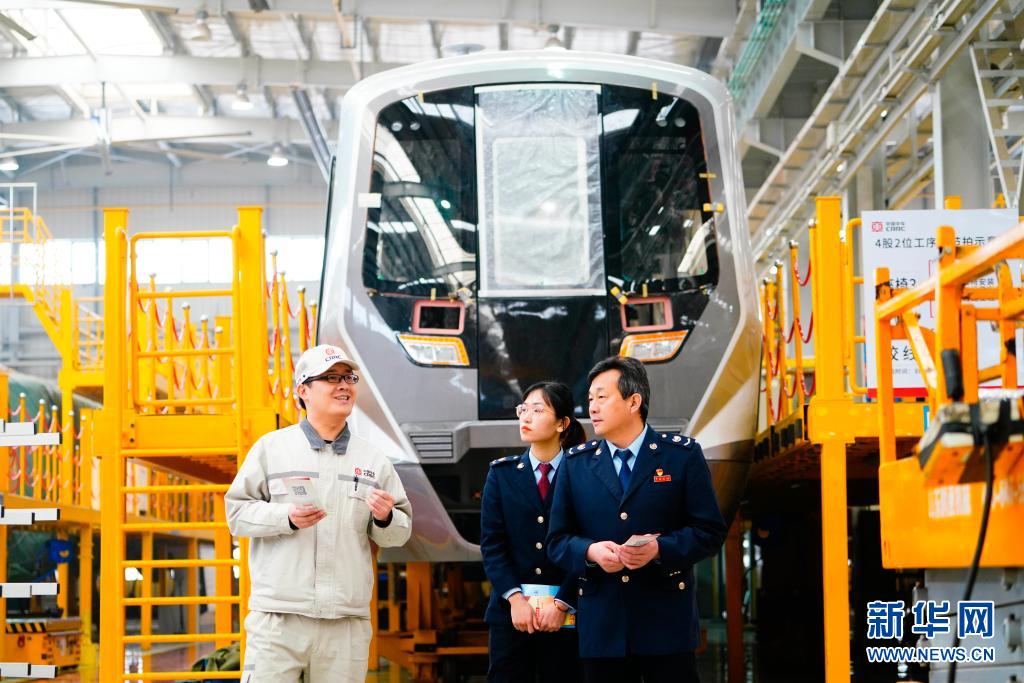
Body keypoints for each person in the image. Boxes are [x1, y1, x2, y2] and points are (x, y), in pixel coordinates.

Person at [225, 344, 412, 682]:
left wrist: (385, 517)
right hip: (279, 621)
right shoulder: (272, 449)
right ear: (303, 390)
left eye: (349, 378)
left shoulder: (372, 460)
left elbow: (399, 533)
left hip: (345, 624)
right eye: (331, 378)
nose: (344, 385)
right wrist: (285, 518)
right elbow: (237, 513)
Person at [546, 356, 727, 683]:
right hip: (603, 629)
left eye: (602, 397)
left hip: (667, 626)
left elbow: (710, 532)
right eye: (590, 399)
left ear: (633, 402)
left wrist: (659, 549)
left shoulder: (681, 456)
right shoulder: (575, 464)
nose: (592, 407)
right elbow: (557, 541)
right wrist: (591, 552)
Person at [480, 381, 586, 683]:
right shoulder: (501, 474)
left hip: (568, 613)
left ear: (562, 423)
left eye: (537, 410)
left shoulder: (583, 474)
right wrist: (515, 600)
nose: (526, 417)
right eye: (523, 409)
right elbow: (492, 545)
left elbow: (587, 542)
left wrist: (563, 603)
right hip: (512, 615)